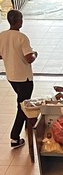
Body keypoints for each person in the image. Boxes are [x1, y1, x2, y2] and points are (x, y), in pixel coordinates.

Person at [0, 10, 38, 149]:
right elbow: (29, 58)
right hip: (24, 78)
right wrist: (35, 54)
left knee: (22, 100)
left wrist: (9, 55)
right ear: (19, 21)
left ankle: (28, 122)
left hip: (11, 76)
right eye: (21, 19)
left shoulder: (2, 36)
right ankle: (15, 137)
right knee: (22, 105)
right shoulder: (22, 37)